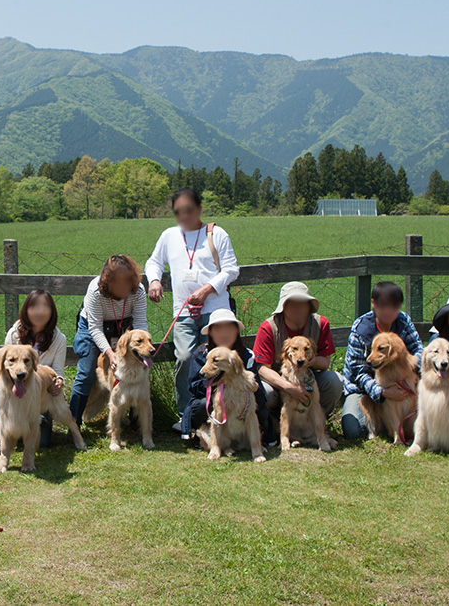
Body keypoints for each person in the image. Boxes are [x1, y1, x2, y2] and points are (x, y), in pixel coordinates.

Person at [145, 188, 239, 428]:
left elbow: (231, 269)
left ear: (198, 209)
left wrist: (207, 289)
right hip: (183, 312)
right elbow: (154, 262)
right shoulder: (169, 236)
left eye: (188, 210)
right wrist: (154, 279)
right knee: (185, 358)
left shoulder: (217, 234)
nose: (183, 216)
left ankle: (221, 411)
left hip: (216, 311)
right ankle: (186, 414)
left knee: (219, 361)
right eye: (178, 212)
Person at [252, 282, 343, 441]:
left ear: (309, 306)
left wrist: (310, 361)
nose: (297, 308)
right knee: (265, 392)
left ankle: (314, 423)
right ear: (283, 306)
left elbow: (325, 362)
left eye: (302, 304)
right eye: (291, 304)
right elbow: (261, 368)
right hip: (278, 381)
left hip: (309, 378)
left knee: (335, 381)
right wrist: (289, 387)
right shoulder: (268, 327)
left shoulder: (320, 324)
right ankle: (273, 425)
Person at [68, 255, 148, 426]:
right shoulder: (96, 291)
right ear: (107, 280)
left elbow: (140, 323)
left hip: (125, 327)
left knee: (137, 368)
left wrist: (142, 352)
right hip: (92, 326)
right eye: (117, 282)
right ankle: (74, 422)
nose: (123, 286)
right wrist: (109, 353)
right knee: (86, 371)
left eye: (126, 280)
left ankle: (136, 421)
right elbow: (95, 327)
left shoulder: (139, 290)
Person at [0, 290, 67, 458]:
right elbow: (4, 365)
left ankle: (26, 438)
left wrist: (58, 381)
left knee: (43, 442)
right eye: (34, 307)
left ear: (52, 312)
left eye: (45, 307)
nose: (39, 312)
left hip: (40, 391)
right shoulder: (14, 333)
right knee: (0, 387)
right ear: (26, 310)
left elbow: (58, 371)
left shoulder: (59, 338)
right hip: (12, 387)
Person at [340, 281, 424, 440]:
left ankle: (407, 428)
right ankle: (387, 424)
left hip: (403, 380)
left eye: (393, 306)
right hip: (364, 390)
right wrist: (384, 392)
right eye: (382, 305)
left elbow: (419, 349)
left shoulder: (403, 321)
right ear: (373, 304)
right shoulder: (361, 329)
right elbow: (358, 373)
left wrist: (414, 370)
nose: (388, 311)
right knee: (354, 431)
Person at [180, 308, 270, 443]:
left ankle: (252, 440)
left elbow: (259, 393)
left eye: (229, 329)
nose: (224, 334)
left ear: (236, 331)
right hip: (211, 404)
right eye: (218, 329)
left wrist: (253, 386)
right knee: (201, 405)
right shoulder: (202, 353)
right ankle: (216, 441)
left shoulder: (247, 355)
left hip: (241, 407)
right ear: (210, 332)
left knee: (261, 404)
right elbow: (193, 386)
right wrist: (219, 382)